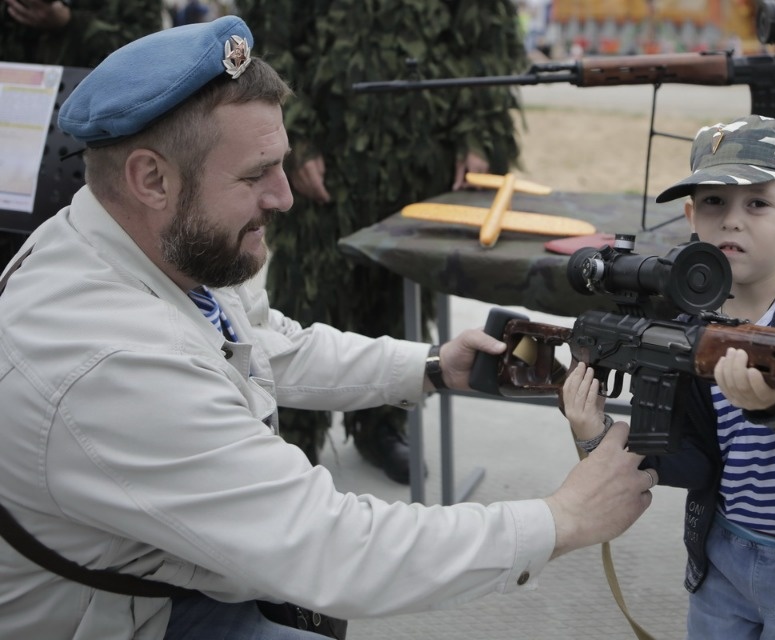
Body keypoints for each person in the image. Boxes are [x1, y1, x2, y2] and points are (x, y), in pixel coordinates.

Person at [0, 18, 656, 639]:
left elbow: (262, 342)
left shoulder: (131, 238)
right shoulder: (110, 360)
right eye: (256, 175)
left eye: (280, 163)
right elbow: (333, 548)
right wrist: (562, 519)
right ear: (151, 178)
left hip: (162, 575)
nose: (284, 197)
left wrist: (430, 366)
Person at [562, 115, 775, 638]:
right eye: (714, 202)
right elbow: (693, 463)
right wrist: (596, 438)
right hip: (722, 553)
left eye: (757, 203)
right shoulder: (687, 319)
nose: (732, 220)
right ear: (691, 217)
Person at [234, 0, 527, 484]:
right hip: (329, 159)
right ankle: (295, 433)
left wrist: (477, 138)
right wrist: (296, 138)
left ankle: (382, 423)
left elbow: (485, 47)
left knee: (401, 299)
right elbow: (271, 43)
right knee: (313, 296)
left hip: (423, 157)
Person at [0, 0, 163, 273]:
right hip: (14, 131)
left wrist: (69, 23)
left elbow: (146, 56)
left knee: (71, 261)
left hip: (87, 146)